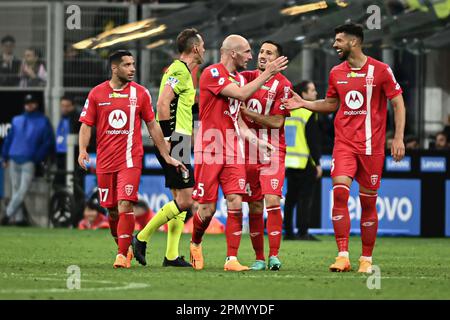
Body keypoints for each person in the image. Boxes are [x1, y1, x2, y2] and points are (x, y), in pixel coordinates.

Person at [282, 23, 406, 273]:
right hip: (344, 145)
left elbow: (398, 104)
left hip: (372, 148)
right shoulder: (336, 72)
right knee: (339, 194)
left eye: (339, 40)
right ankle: (342, 255)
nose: (334, 44)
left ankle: (366, 260)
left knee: (368, 204)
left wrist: (399, 137)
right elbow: (330, 104)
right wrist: (303, 103)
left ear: (354, 42)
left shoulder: (381, 70)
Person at [78, 50, 185, 269]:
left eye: (133, 64)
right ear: (114, 68)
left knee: (125, 203)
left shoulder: (141, 93)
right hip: (105, 162)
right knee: (112, 209)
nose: (132, 68)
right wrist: (82, 150)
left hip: (130, 160)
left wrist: (166, 154)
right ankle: (124, 247)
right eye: (127, 65)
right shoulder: (97, 94)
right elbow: (87, 124)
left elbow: (152, 125)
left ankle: (120, 255)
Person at [189, 34, 288, 271]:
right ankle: (195, 242)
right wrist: (268, 73)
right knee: (207, 208)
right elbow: (242, 96)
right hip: (211, 147)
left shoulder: (237, 78)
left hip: (234, 148)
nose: (252, 57)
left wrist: (255, 140)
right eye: (247, 52)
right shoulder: (213, 73)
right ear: (233, 53)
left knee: (236, 200)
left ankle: (231, 259)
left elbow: (237, 120)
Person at [133, 28, 205, 268]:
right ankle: (141, 237)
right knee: (186, 201)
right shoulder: (178, 70)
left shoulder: (182, 72)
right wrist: (168, 139)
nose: (204, 49)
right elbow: (163, 103)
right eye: (202, 45)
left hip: (178, 140)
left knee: (179, 199)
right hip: (176, 141)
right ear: (195, 48)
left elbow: (178, 106)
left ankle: (171, 256)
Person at [238, 40, 292, 271]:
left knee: (271, 200)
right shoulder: (245, 78)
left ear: (278, 60)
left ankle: (274, 256)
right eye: (261, 51)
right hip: (246, 151)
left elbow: (278, 121)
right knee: (255, 206)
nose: (262, 55)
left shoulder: (283, 85)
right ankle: (259, 258)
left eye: (269, 53)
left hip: (272, 150)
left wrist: (247, 111)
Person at [1, 94, 55, 226]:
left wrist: (37, 157)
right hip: (14, 158)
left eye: (32, 103)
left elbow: (48, 142)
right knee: (16, 190)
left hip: (28, 160)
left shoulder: (43, 121)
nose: (29, 105)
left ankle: (7, 215)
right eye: (27, 103)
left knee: (22, 190)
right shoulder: (17, 119)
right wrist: (5, 156)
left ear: (36, 104)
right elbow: (9, 139)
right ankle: (18, 219)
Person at [284, 80, 322, 241]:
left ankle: (288, 232)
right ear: (303, 94)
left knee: (290, 198)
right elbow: (313, 140)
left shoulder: (289, 110)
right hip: (305, 161)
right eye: (312, 91)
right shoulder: (308, 111)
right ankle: (303, 231)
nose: (315, 94)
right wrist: (317, 162)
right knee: (305, 199)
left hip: (289, 161)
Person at [54, 96, 80, 187]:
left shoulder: (76, 119)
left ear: (73, 106)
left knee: (70, 183)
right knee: (58, 184)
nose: (64, 108)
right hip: (61, 155)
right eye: (62, 106)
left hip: (72, 156)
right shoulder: (63, 119)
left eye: (67, 106)